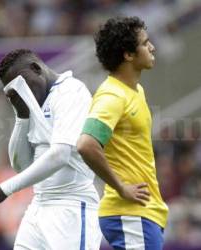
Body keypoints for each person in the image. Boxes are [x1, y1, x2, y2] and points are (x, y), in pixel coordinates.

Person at [0, 49, 102, 249]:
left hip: (71, 208)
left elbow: (61, 154)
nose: (23, 93)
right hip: (38, 205)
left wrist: (5, 189)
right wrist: (21, 117)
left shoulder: (71, 91)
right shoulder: (35, 103)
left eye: (23, 84)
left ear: (36, 68)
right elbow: (21, 166)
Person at [77, 16, 169, 250]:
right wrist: (120, 187)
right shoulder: (112, 96)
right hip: (130, 213)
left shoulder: (136, 91)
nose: (152, 47)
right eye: (145, 43)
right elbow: (86, 144)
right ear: (128, 55)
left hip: (144, 213)